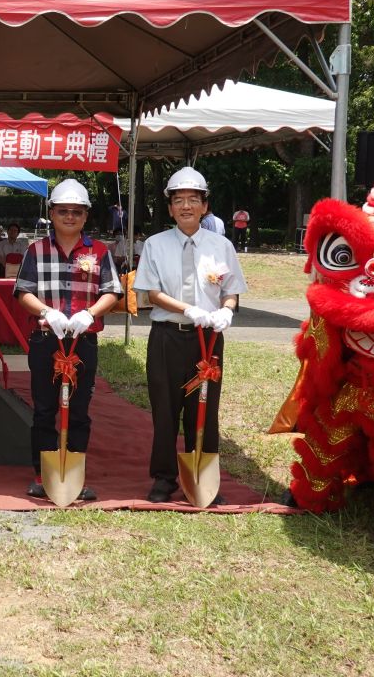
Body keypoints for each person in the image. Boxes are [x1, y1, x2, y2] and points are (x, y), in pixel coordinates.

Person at [133, 166, 246, 506]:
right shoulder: (155, 244)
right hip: (168, 336)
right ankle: (165, 478)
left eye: (192, 200)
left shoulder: (221, 245)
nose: (185, 206)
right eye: (178, 200)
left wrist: (226, 309)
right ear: (169, 208)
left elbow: (231, 289)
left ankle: (202, 474)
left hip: (208, 339)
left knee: (204, 409)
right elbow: (151, 292)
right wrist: (187, 310)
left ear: (204, 206)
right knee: (164, 409)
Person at [14, 178, 122, 500]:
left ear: (86, 215)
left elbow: (112, 292)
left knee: (78, 410)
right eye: (63, 211)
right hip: (46, 338)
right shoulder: (36, 250)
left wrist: (90, 313)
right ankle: (42, 474)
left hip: (82, 340)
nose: (70, 217)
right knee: (45, 409)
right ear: (52, 213)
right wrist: (47, 311)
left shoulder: (99, 251)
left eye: (77, 212)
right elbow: (23, 292)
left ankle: (75, 475)